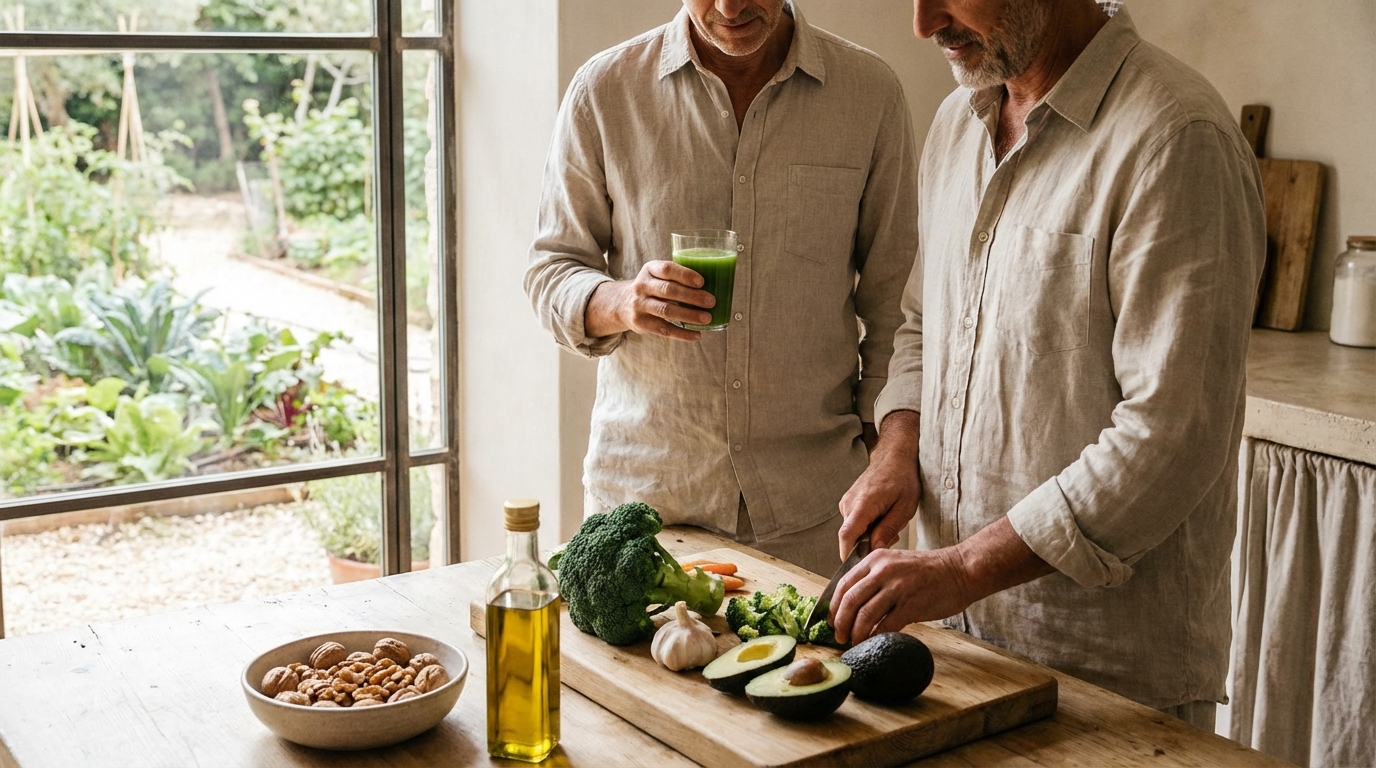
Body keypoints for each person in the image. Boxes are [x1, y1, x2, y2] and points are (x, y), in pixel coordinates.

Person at [829, 0, 1265, 729]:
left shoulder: (1176, 138)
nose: (924, 21)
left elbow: (1171, 438)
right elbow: (920, 322)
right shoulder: (954, 125)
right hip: (953, 651)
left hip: (1106, 677)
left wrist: (964, 568)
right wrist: (897, 448)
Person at [524, 0, 919, 576]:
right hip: (648, 508)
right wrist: (622, 302)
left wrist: (883, 452)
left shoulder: (868, 92)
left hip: (816, 514)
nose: (731, 6)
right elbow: (552, 268)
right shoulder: (606, 89)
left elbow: (899, 306)